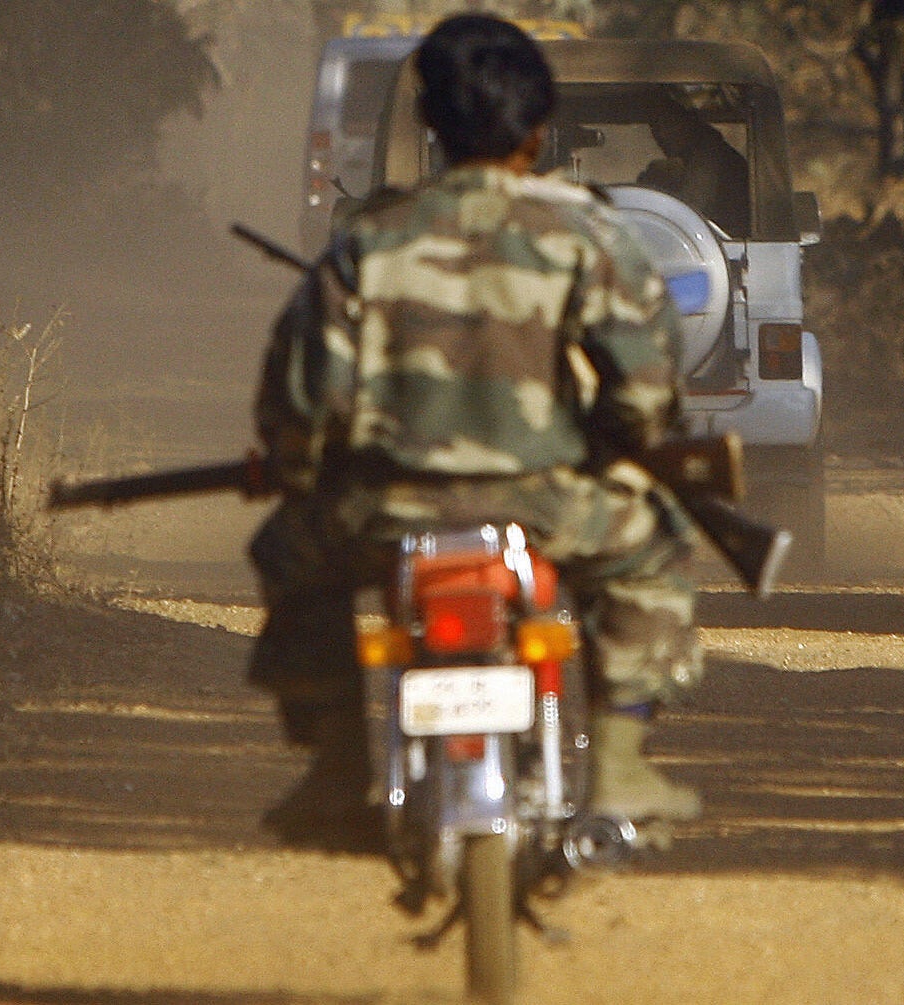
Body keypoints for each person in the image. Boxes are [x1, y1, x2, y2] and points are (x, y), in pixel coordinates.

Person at [248, 13, 703, 844]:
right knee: (657, 554)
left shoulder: (367, 239)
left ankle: (339, 763)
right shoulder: (585, 233)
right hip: (549, 507)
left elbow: (302, 405)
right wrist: (613, 444)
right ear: (538, 129)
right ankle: (621, 763)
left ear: (430, 127)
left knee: (286, 554)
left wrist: (299, 464)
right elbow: (644, 392)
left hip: (383, 513)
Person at [638, 104, 750, 236]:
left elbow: (689, 213)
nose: (661, 135)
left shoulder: (710, 158)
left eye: (670, 125)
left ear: (689, 124)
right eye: (655, 128)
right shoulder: (698, 158)